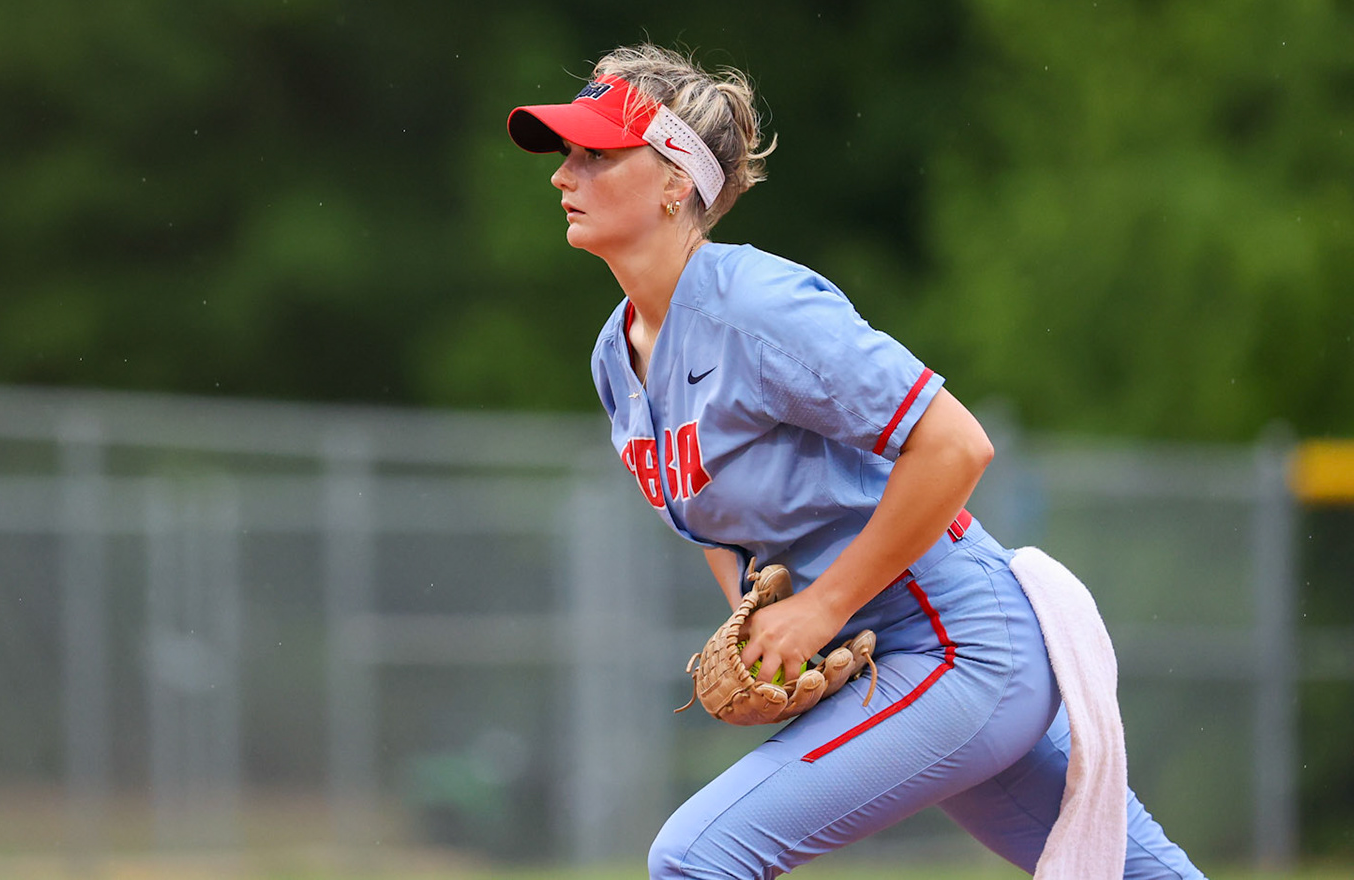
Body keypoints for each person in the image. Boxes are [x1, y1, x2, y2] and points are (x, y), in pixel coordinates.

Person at [507, 44, 1204, 879]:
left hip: (958, 642)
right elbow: (719, 520)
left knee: (696, 857)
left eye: (594, 153)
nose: (564, 176)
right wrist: (763, 632)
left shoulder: (757, 305)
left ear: (673, 181)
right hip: (886, 659)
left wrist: (821, 609)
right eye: (566, 155)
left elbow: (956, 445)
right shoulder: (614, 357)